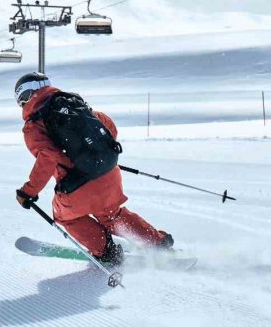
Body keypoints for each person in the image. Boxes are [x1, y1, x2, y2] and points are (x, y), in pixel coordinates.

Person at [14, 72, 173, 266]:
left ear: (30, 94)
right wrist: (94, 153)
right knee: (112, 214)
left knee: (64, 216)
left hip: (78, 186)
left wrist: (28, 192)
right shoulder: (72, 103)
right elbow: (109, 127)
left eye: (21, 99)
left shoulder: (35, 125)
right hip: (109, 173)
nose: (21, 105)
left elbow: (47, 157)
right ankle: (156, 242)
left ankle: (106, 251)